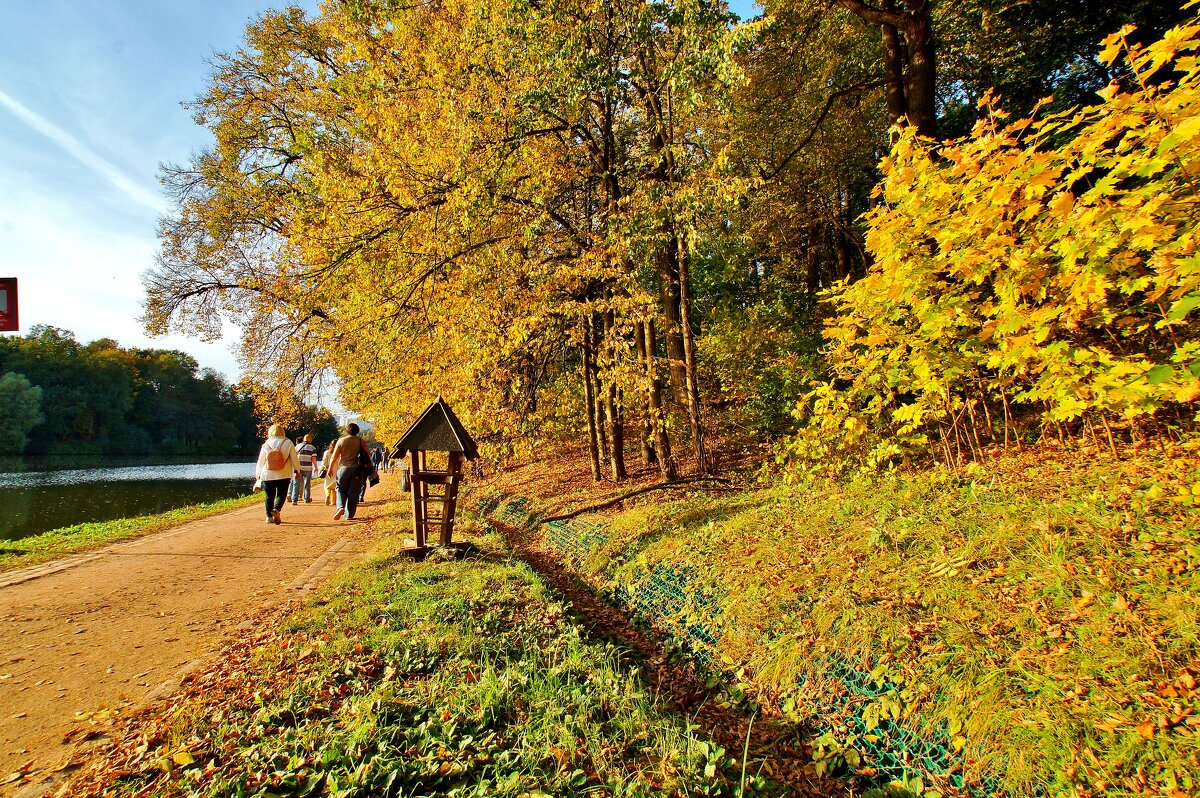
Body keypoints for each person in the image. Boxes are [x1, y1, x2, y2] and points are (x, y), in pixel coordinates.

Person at [255, 424, 300, 525]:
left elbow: (260, 461)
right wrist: (297, 470)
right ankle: (276, 509)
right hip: (284, 474)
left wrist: (258, 475)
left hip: (267, 474)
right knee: (281, 493)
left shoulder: (266, 444)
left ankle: (268, 517)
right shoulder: (288, 442)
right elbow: (294, 458)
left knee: (269, 495)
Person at [331, 422, 371, 521]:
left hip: (343, 469)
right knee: (354, 492)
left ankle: (340, 507)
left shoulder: (341, 441)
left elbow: (334, 456)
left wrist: (330, 468)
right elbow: (368, 455)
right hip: (357, 470)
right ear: (357, 431)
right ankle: (349, 515)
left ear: (347, 430)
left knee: (340, 488)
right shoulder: (361, 441)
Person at [291, 433, 317, 504]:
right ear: (310, 440)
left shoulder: (297, 447)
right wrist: (316, 467)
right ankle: (307, 499)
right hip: (308, 468)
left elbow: (293, 457)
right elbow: (313, 458)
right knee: (307, 484)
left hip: (298, 468)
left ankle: (294, 499)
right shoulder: (312, 448)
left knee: (296, 483)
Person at [319, 441, 337, 506]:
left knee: (327, 486)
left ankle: (327, 495)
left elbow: (324, 462)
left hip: (328, 471)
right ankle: (333, 501)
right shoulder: (339, 452)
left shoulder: (326, 452)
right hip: (336, 471)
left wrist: (325, 467)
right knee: (335, 487)